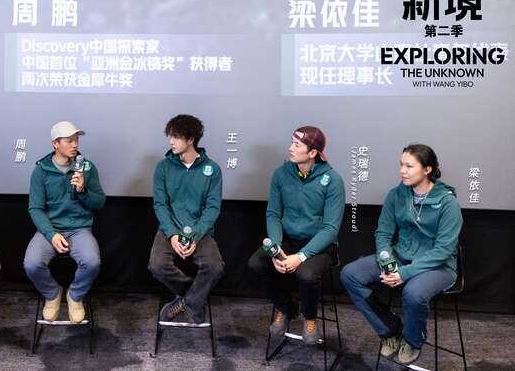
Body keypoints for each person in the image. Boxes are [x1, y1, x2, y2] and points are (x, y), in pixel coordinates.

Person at [341, 144, 462, 365]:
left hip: (439, 266)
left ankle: (413, 340)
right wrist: (386, 259)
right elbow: (383, 233)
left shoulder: (448, 202)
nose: (402, 171)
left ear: (427, 169)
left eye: (409, 166)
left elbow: (444, 250)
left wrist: (403, 273)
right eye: (401, 165)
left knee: (413, 293)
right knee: (350, 274)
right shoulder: (396, 195)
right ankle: (389, 329)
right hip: (401, 255)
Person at [248, 126, 345, 344]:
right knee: (256, 264)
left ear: (313, 152)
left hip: (319, 245)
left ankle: (309, 317)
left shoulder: (333, 180)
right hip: (287, 240)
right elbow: (273, 213)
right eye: (291, 142)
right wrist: (276, 248)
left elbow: (330, 228)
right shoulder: (281, 174)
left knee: (306, 275)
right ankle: (286, 306)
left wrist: (300, 256)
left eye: (297, 144)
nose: (290, 148)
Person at [24, 121, 105, 323]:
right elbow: (35, 209)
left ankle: (75, 296)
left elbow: (99, 202)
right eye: (69, 141)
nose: (75, 144)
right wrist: (51, 234)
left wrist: (82, 191)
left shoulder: (87, 167)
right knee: (32, 264)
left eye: (76, 140)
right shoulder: (41, 171)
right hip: (50, 229)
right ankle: (52, 294)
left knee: (92, 262)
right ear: (55, 143)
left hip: (79, 229)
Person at [148, 114, 225, 324]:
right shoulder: (163, 167)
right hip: (169, 228)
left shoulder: (213, 169)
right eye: (169, 136)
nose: (170, 141)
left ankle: (187, 302)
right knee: (157, 265)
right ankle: (194, 298)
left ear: (190, 139)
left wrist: (196, 236)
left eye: (175, 136)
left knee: (215, 266)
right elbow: (160, 205)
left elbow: (212, 209)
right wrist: (173, 234)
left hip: (200, 232)